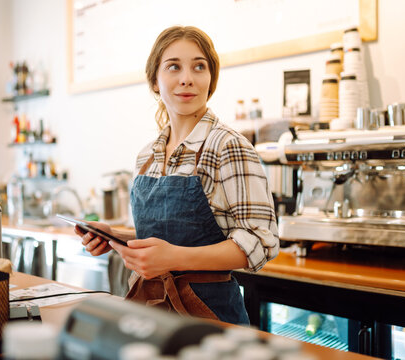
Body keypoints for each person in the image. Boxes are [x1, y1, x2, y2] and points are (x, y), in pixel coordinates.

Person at [76, 25, 279, 325]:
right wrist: (118, 239)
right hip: (149, 311)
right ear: (155, 81)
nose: (187, 78)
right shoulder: (147, 156)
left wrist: (173, 258)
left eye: (199, 66)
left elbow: (262, 241)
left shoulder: (228, 146)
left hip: (210, 317)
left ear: (211, 80)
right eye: (174, 66)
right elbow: (162, 238)